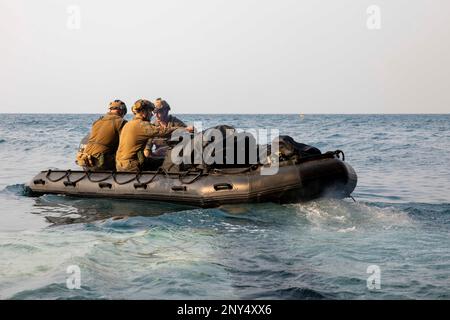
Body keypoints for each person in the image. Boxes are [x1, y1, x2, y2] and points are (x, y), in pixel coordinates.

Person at [115, 99, 188, 171]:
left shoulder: (128, 124)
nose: (153, 114)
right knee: (167, 164)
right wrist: (184, 129)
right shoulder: (143, 125)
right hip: (131, 166)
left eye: (158, 112)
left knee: (162, 161)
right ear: (144, 112)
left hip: (120, 164)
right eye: (150, 111)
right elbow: (162, 131)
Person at [75, 100, 127, 171]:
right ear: (122, 111)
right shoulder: (121, 122)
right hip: (101, 163)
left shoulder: (97, 121)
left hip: (86, 161)